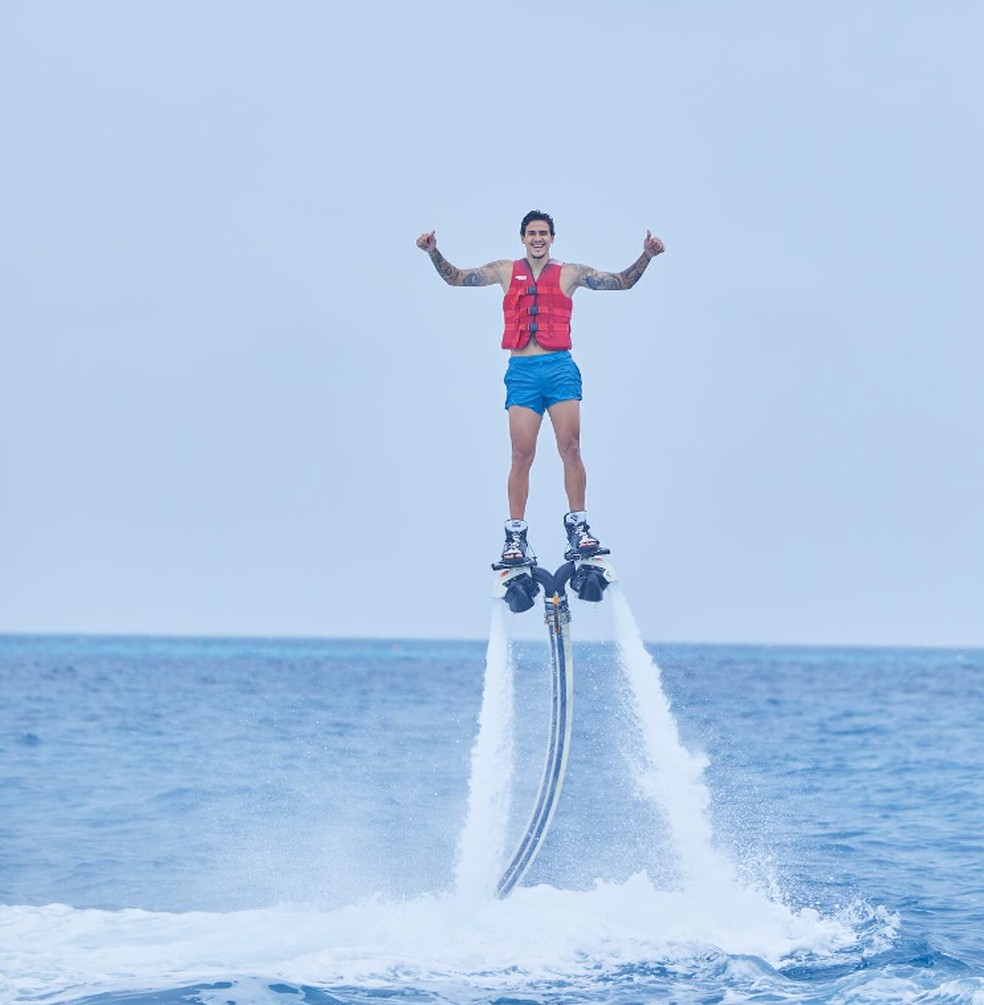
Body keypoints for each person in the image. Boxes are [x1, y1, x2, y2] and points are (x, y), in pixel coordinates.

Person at [416, 210, 665, 568]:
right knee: (521, 454)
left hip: (559, 368)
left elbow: (621, 282)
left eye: (543, 233)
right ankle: (515, 534)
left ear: (551, 238)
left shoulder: (571, 273)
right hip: (523, 372)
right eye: (531, 233)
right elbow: (457, 278)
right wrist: (433, 252)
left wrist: (647, 256)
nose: (537, 238)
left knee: (571, 447)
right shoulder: (504, 270)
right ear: (522, 238)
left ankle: (579, 526)